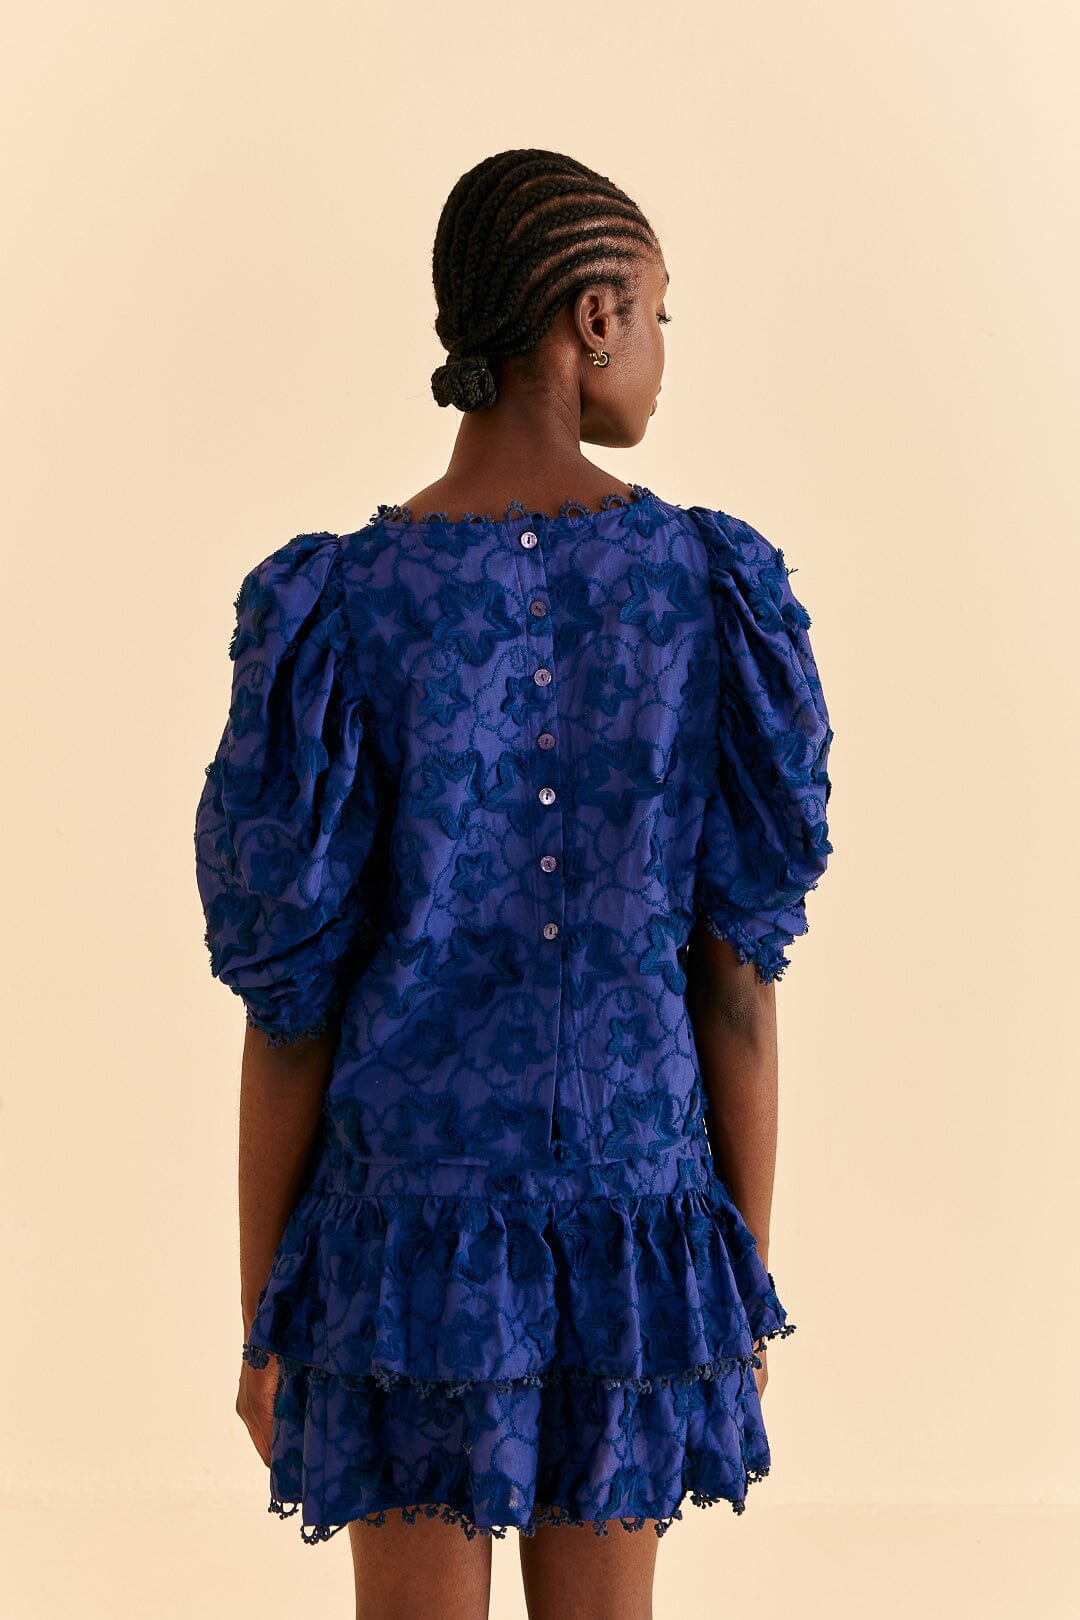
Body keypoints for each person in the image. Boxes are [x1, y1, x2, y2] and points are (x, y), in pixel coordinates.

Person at [194, 147, 834, 1620]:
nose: (662, 350)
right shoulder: (706, 590)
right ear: (594, 319)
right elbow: (737, 986)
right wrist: (735, 1279)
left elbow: (291, 1006)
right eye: (661, 314)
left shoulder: (343, 605)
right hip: (637, 1221)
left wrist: (264, 1315)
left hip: (400, 1238)